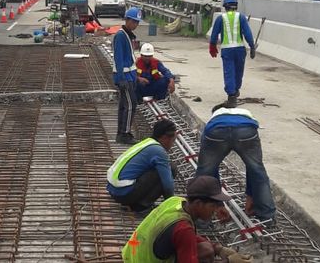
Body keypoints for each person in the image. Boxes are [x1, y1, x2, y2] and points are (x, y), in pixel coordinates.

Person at [122, 176, 252, 262]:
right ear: (198, 204)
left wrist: (219, 249)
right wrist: (229, 261)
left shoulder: (176, 201)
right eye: (212, 205)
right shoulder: (183, 229)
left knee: (207, 249)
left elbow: (185, 236)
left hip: (131, 255)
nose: (215, 211)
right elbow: (184, 236)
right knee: (205, 252)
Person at [195, 104, 276, 223]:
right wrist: (250, 196)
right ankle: (267, 217)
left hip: (217, 131)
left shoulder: (214, 120)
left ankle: (201, 220)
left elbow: (211, 172)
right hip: (246, 131)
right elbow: (251, 170)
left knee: (204, 173)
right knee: (257, 171)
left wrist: (218, 204)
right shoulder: (244, 113)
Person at [107, 120, 178, 212]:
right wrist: (172, 206)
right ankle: (142, 206)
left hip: (114, 190)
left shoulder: (147, 143)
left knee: (161, 168)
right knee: (171, 168)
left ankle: (134, 201)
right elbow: (168, 185)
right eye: (173, 141)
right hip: (123, 193)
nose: (172, 145)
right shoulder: (159, 151)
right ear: (165, 138)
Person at [209, 0, 255, 108]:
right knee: (239, 72)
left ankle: (231, 95)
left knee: (229, 72)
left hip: (227, 50)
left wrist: (212, 46)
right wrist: (252, 46)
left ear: (225, 6)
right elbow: (248, 33)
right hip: (240, 49)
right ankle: (236, 89)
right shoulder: (241, 17)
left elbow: (214, 35)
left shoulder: (221, 18)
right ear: (236, 6)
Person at [113, 6, 143, 144]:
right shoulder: (120, 35)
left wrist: (135, 76)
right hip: (124, 77)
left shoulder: (127, 35)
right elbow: (118, 59)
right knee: (131, 105)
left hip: (130, 76)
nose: (136, 25)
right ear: (128, 20)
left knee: (125, 105)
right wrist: (121, 78)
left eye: (137, 22)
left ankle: (122, 132)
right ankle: (124, 133)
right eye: (134, 22)